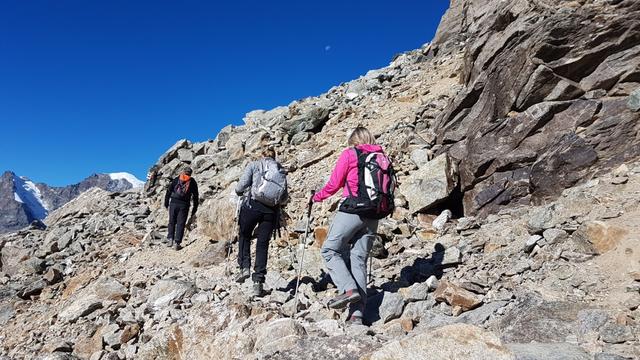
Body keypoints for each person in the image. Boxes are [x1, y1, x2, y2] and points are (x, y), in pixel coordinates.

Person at [312, 126, 394, 325]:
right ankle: (357, 315)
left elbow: (334, 183)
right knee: (359, 259)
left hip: (353, 210)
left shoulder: (350, 154)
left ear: (353, 140)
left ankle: (348, 289)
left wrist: (316, 197)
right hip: (374, 214)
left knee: (330, 250)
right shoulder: (382, 157)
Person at [235, 147, 288, 297]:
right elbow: (284, 197)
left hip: (252, 207)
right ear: (274, 156)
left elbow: (241, 185)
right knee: (262, 245)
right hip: (271, 212)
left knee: (244, 235)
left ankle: (244, 267)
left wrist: (238, 192)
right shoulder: (280, 170)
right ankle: (258, 281)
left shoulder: (254, 165)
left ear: (262, 155)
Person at [164, 167, 199, 251]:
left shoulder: (177, 179)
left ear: (183, 172)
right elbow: (195, 196)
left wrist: (166, 202)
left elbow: (169, 191)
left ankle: (170, 239)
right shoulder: (192, 181)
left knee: (172, 221)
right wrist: (195, 208)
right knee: (181, 223)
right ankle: (177, 243)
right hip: (184, 205)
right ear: (190, 173)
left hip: (173, 203)